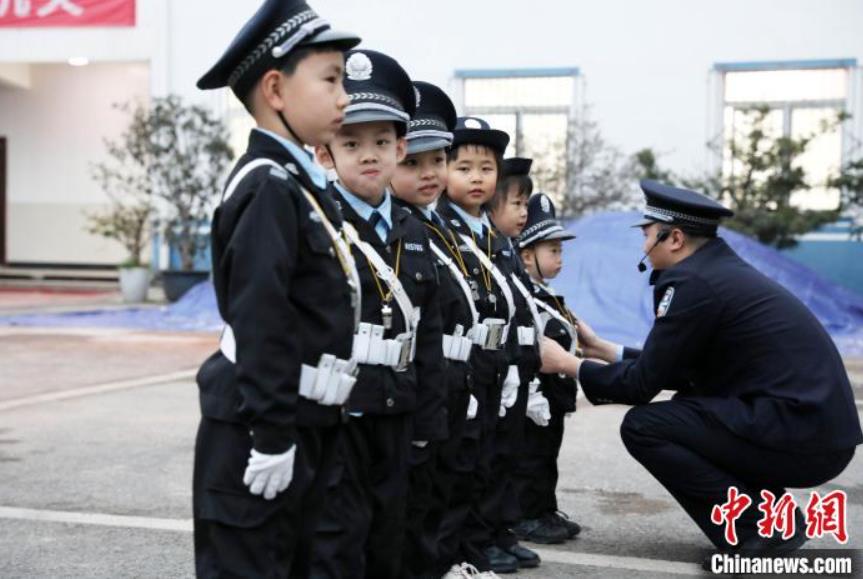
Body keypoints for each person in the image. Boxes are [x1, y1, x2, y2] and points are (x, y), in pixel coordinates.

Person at [540, 179, 863, 563]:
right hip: (811, 429)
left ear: (674, 238)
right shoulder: (715, 271)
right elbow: (677, 368)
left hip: (802, 435)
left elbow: (642, 386)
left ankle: (757, 530)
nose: (644, 246)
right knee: (691, 407)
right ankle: (772, 519)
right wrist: (604, 350)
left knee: (646, 426)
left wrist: (568, 364)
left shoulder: (692, 283)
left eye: (648, 235)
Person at [192, 1, 361, 577]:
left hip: (304, 419)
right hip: (257, 426)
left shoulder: (299, 185)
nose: (344, 97)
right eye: (331, 79)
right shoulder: (268, 187)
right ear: (276, 89)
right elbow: (261, 317)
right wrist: (270, 433)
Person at [309, 49, 446, 579]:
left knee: (393, 535)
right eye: (351, 143)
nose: (369, 155)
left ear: (401, 147)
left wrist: (428, 424)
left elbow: (426, 332)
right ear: (326, 154)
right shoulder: (318, 223)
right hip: (341, 416)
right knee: (337, 541)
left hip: (400, 413)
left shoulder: (414, 231)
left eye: (382, 143)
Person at [389, 81, 493, 579]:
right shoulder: (398, 225)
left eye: (437, 160)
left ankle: (449, 560)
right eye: (414, 163)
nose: (429, 174)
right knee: (417, 495)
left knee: (448, 481)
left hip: (456, 374)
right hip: (420, 377)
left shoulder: (443, 224)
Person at [436, 117, 517, 574]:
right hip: (461, 359)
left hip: (494, 359)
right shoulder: (445, 226)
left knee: (487, 455)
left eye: (486, 169)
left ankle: (480, 539)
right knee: (458, 461)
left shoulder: (492, 231)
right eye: (463, 167)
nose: (476, 178)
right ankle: (459, 546)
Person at [513, 192, 582, 545]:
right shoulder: (525, 296)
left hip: (556, 394)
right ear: (527, 256)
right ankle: (526, 514)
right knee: (532, 457)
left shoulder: (547, 295)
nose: (560, 258)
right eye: (552, 250)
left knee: (548, 454)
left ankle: (544, 508)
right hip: (536, 395)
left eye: (560, 250)